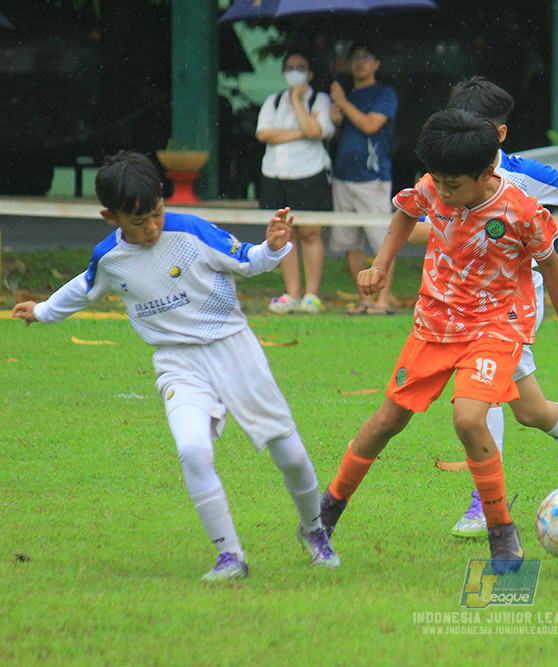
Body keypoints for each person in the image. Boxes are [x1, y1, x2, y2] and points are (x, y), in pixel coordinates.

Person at [12, 151, 338, 580]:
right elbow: (83, 288)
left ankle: (314, 531)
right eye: (139, 221)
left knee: (290, 454)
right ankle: (229, 555)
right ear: (110, 217)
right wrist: (42, 310)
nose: (152, 227)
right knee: (193, 450)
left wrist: (271, 247)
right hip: (176, 362)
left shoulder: (192, 231)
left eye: (156, 213)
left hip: (233, 348)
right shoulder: (109, 258)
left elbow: (247, 259)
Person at [319, 109, 558, 574]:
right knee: (386, 422)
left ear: (487, 172)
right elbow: (405, 213)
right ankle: (326, 513)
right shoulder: (432, 186)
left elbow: (552, 265)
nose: (441, 192)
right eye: (437, 181)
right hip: (434, 324)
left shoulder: (520, 211)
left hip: (495, 326)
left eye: (452, 185)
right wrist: (380, 264)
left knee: (469, 419)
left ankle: (502, 535)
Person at [408, 77, 558, 538]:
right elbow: (414, 229)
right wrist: (454, 217)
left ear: (499, 134)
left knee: (482, 391)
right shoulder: (446, 176)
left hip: (511, 305)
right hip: (462, 304)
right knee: (530, 410)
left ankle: (483, 501)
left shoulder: (521, 175)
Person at [256, 50, 335, 314]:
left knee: (310, 233)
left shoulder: (319, 100)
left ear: (310, 74)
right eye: (290, 67)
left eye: (301, 67)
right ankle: (292, 293)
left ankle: (311, 295)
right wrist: (301, 132)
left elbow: (316, 131)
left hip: (310, 173)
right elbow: (264, 134)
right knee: (283, 234)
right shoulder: (274, 100)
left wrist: (297, 101)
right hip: (275, 173)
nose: (294, 72)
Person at [328, 40, 399, 315]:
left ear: (376, 64)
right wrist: (336, 119)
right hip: (342, 177)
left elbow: (370, 125)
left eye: (366, 57)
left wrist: (343, 103)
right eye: (355, 57)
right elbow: (342, 136)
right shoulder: (347, 96)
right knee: (351, 244)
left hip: (372, 179)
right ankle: (365, 301)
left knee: (382, 243)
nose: (360, 62)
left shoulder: (385, 92)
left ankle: (382, 302)